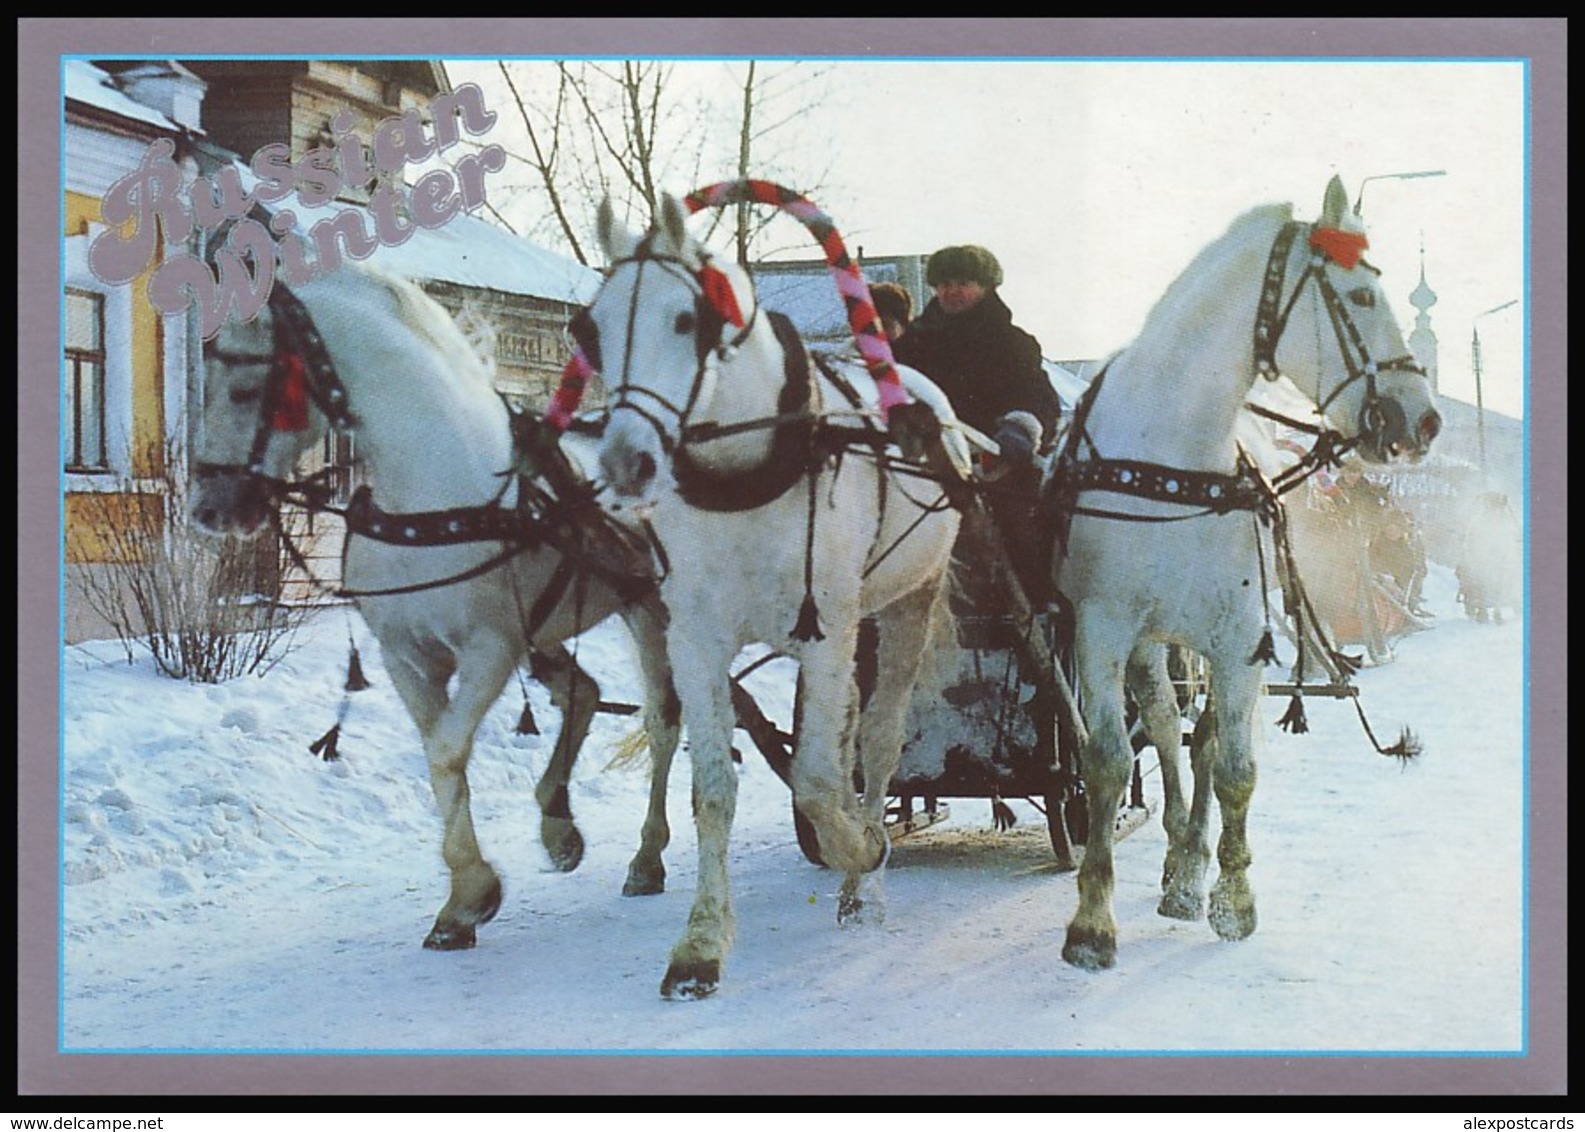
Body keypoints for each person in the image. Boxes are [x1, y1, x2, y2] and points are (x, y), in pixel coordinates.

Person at [892, 244, 1062, 470]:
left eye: (963, 284)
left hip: (992, 465)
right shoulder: (912, 343)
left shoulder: (1012, 343)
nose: (952, 291)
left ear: (986, 288)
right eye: (945, 284)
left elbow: (1037, 397)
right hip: (922, 464)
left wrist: (1020, 428)